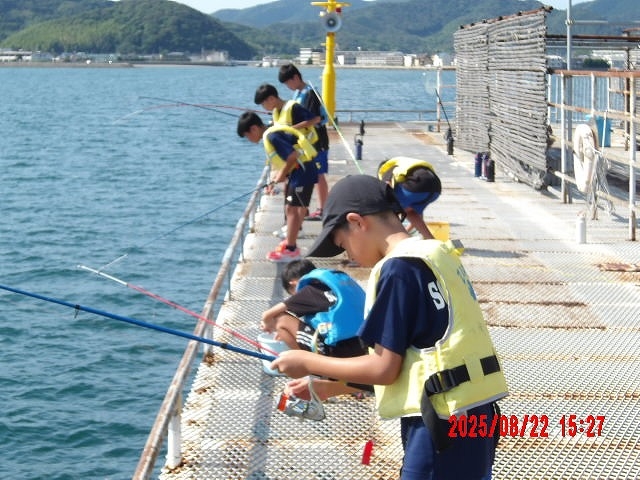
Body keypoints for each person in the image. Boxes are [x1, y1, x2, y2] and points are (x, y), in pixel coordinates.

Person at [272, 175, 508, 479]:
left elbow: (384, 368)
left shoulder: (398, 270)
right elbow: (424, 359)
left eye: (343, 244)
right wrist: (329, 387)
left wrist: (306, 361)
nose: (348, 256)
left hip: (441, 422)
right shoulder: (436, 254)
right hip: (477, 412)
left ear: (357, 222)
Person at [261, 259, 372, 404]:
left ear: (293, 284)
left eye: (292, 293)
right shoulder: (334, 286)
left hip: (338, 355)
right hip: (366, 351)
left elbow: (268, 314)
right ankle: (340, 381)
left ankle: (309, 369)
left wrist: (269, 324)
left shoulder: (309, 291)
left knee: (280, 320)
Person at [236, 110, 318, 262]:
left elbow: (292, 156)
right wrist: (278, 177)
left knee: (292, 209)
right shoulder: (272, 133)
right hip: (300, 171)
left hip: (302, 171)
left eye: (247, 136)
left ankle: (291, 250)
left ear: (254, 128)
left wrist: (281, 176)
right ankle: (290, 243)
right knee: (294, 208)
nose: (249, 139)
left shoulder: (272, 136)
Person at [254, 83, 321, 242]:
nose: (264, 107)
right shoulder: (276, 112)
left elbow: (315, 119)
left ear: (271, 98)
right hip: (293, 160)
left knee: (297, 203)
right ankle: (291, 227)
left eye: (264, 103)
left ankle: (296, 231)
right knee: (291, 199)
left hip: (302, 156)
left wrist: (291, 128)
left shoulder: (293, 107)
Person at [279, 64, 330, 221]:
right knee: (307, 173)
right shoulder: (298, 94)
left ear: (295, 77)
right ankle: (304, 208)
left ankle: (323, 209)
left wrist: (290, 129)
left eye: (288, 83)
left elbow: (314, 119)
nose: (288, 87)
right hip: (306, 142)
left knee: (318, 174)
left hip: (318, 140)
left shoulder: (310, 94)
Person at [378, 156, 442, 239]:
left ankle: (394, 238)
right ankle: (430, 239)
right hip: (435, 190)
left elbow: (386, 185)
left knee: (389, 209)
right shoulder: (405, 166)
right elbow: (417, 217)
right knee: (412, 212)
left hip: (415, 189)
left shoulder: (388, 169)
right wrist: (406, 232)